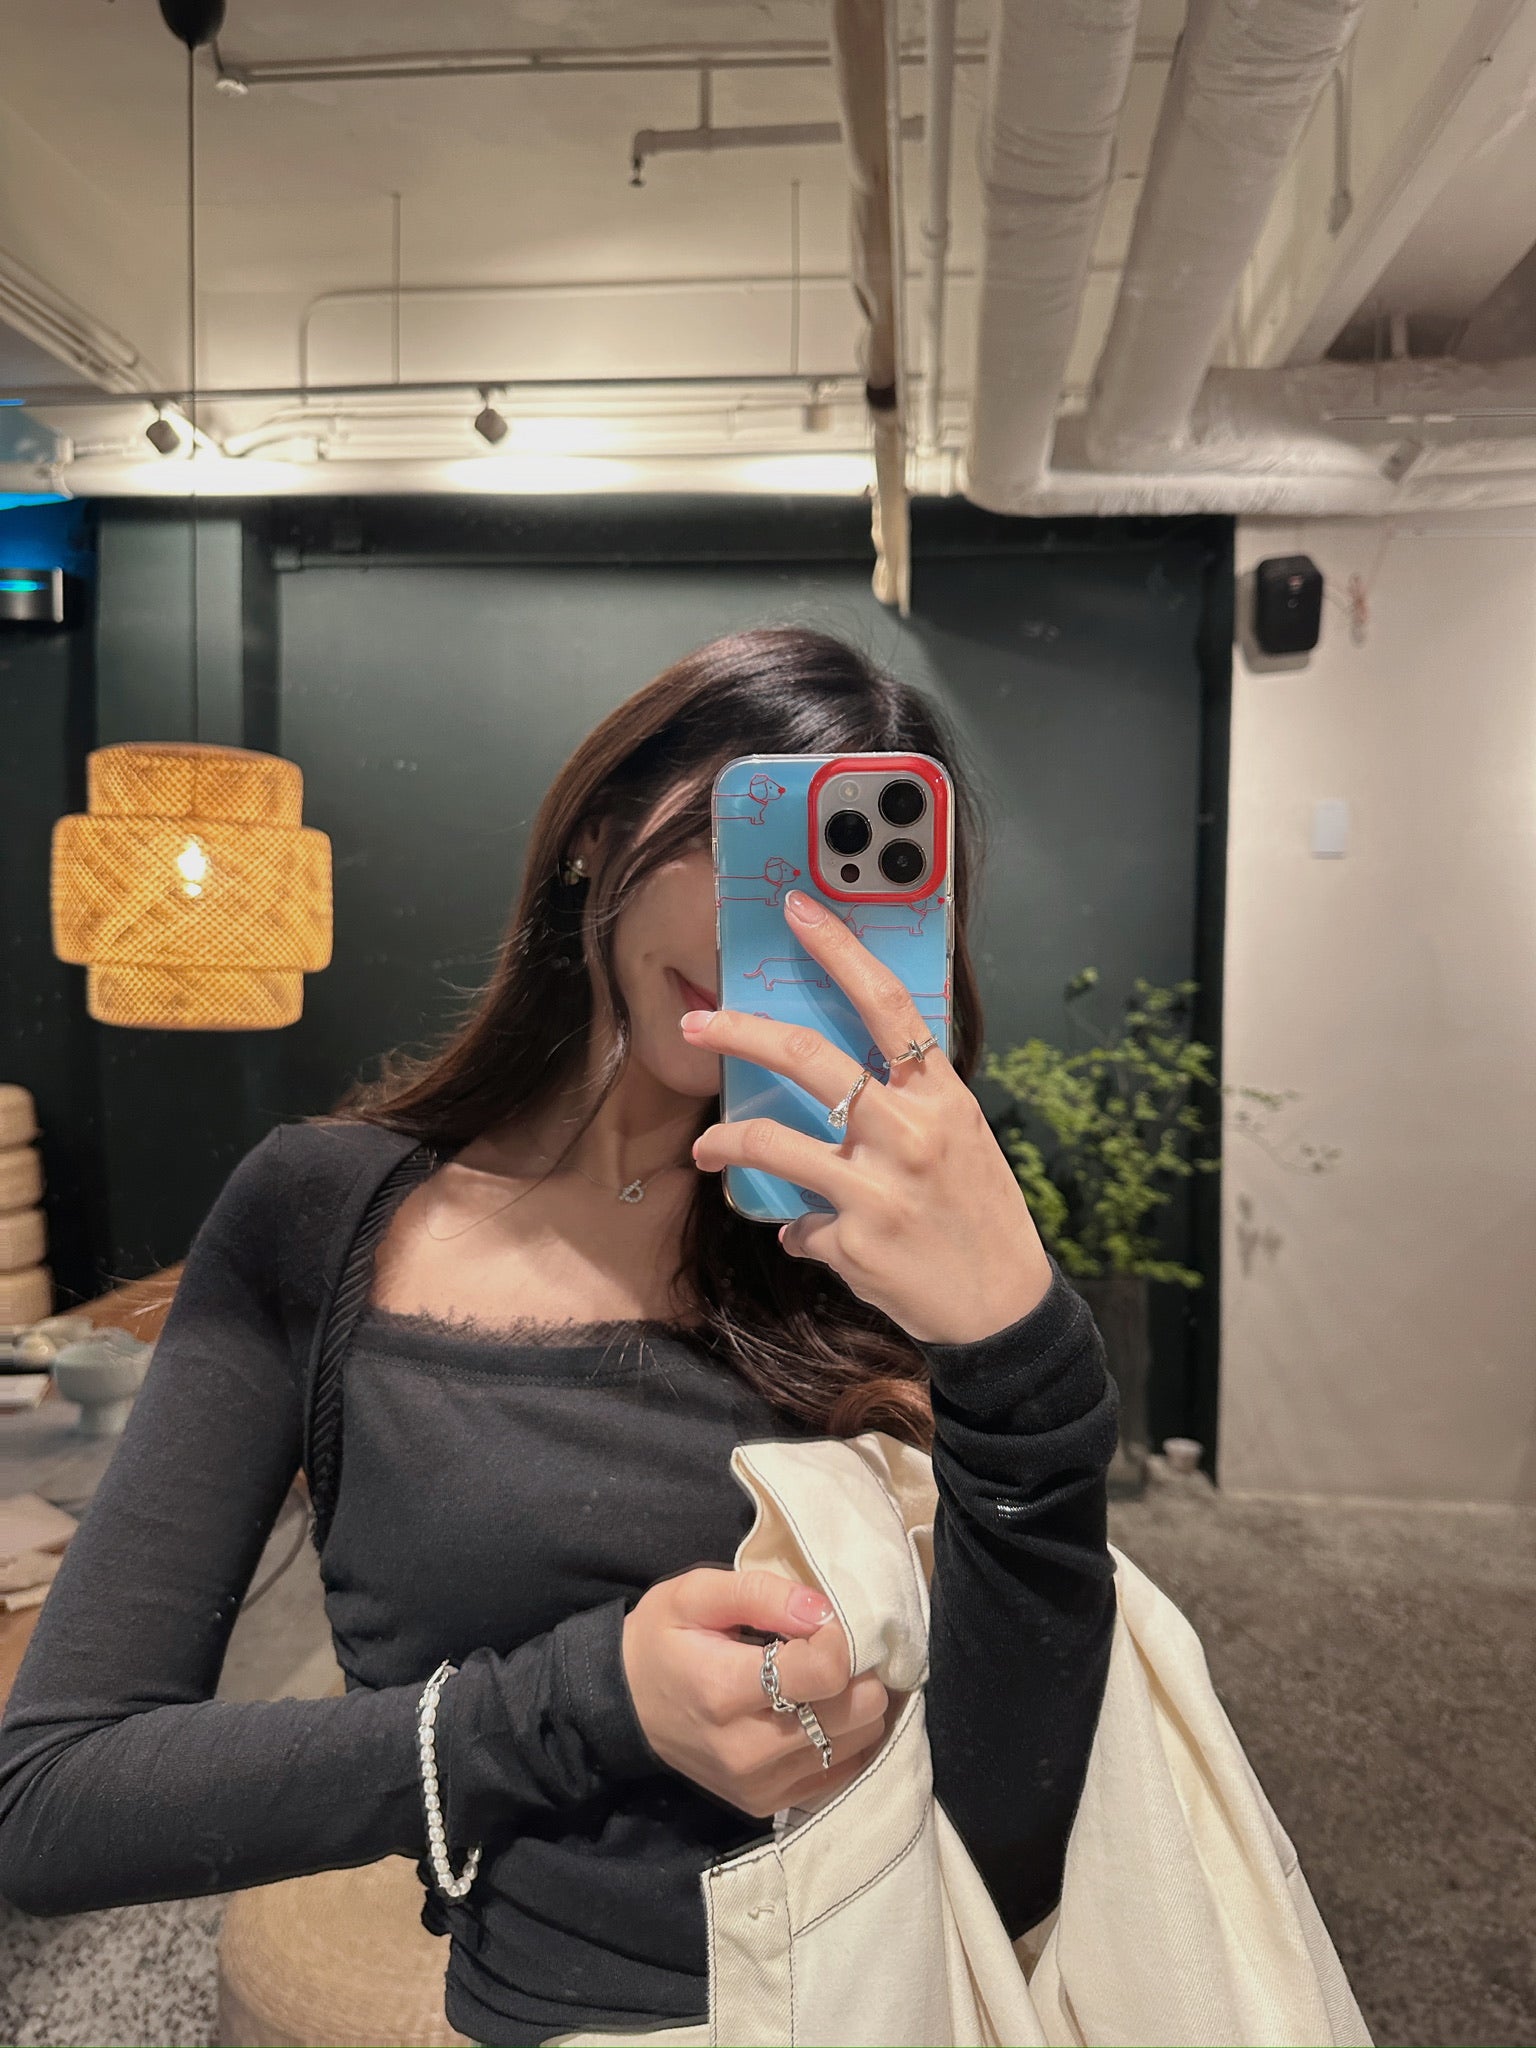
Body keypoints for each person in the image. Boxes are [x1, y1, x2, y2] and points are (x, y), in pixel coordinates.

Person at [0, 626, 1120, 2048]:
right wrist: (590, 1703)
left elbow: (1014, 1841)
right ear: (598, 830)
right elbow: (54, 1801)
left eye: (839, 883)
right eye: (737, 837)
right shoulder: (318, 1215)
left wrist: (1020, 1350)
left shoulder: (903, 1248)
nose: (766, 928)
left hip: (906, 1998)